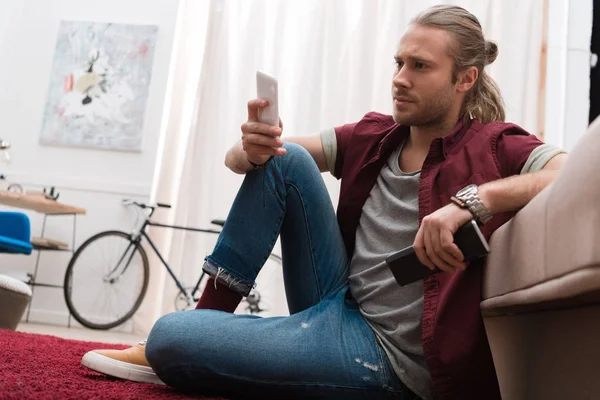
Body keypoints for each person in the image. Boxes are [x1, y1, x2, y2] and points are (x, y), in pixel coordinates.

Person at [81, 4, 566, 399]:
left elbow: (570, 170)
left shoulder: (493, 145)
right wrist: (247, 148)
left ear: (465, 79)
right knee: (284, 157)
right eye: (399, 62)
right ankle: (207, 318)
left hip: (383, 357)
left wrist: (475, 199)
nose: (400, 77)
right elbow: (249, 161)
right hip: (336, 301)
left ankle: (184, 336)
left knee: (171, 337)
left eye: (420, 67)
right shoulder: (378, 135)